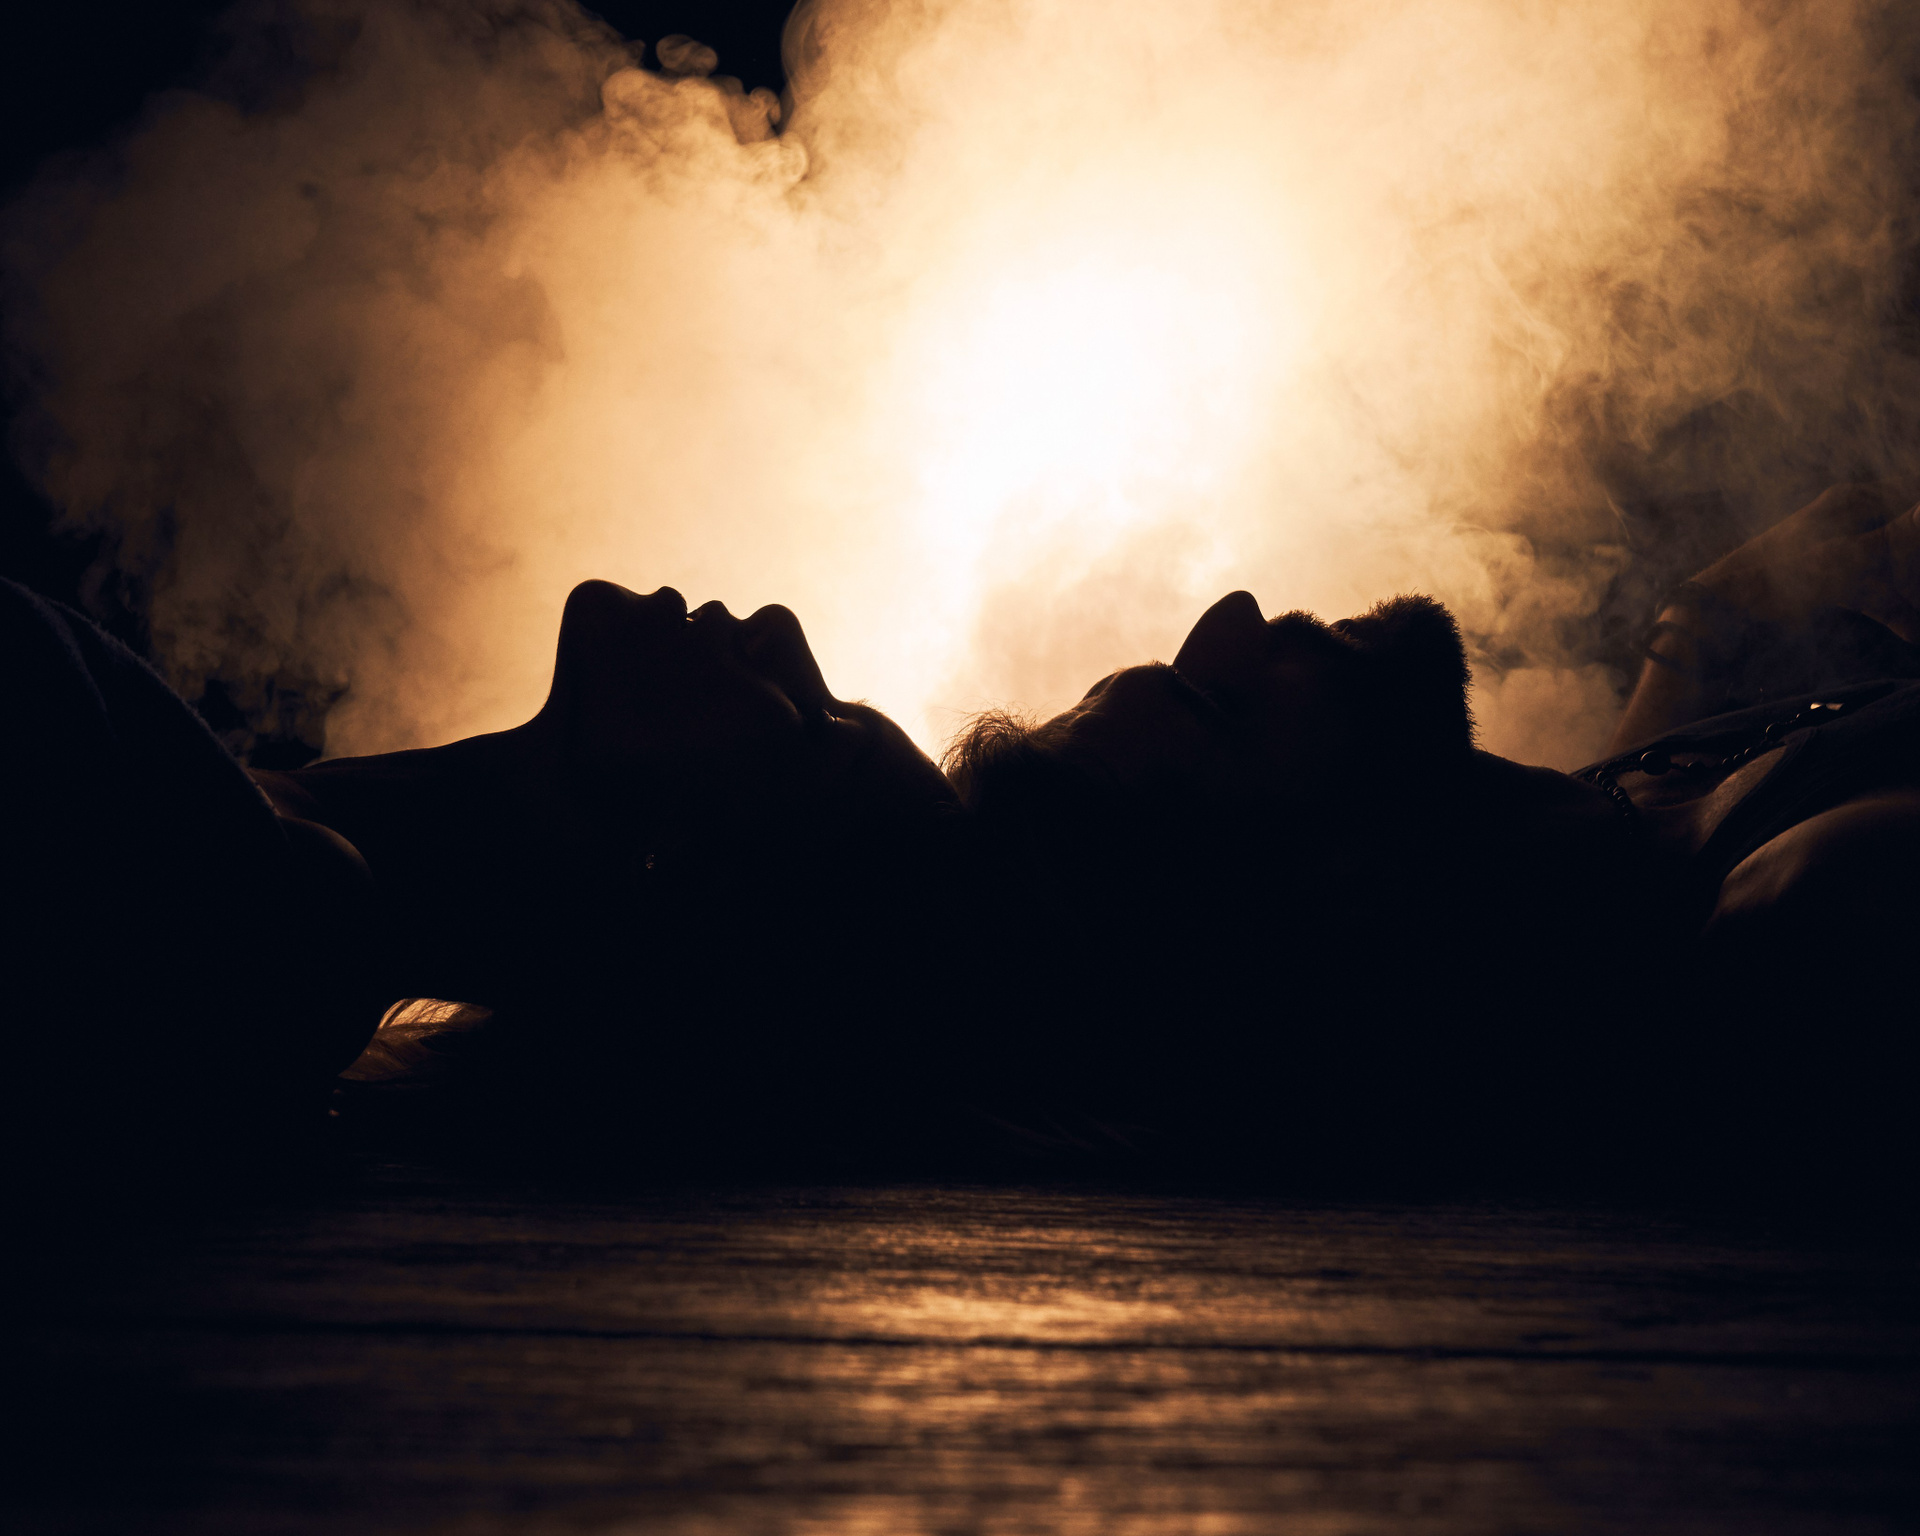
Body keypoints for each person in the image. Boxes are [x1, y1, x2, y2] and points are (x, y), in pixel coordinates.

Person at [945, 485, 1920, 1190]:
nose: (1239, 616)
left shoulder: (1612, 824)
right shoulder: (1812, 901)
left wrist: (1704, 620)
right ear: (1328, 896)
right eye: (1219, 705)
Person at [4, 576, 960, 1187]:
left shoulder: (277, 917)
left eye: (822, 729)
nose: (785, 631)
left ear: (695, 890)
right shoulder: (265, 858)